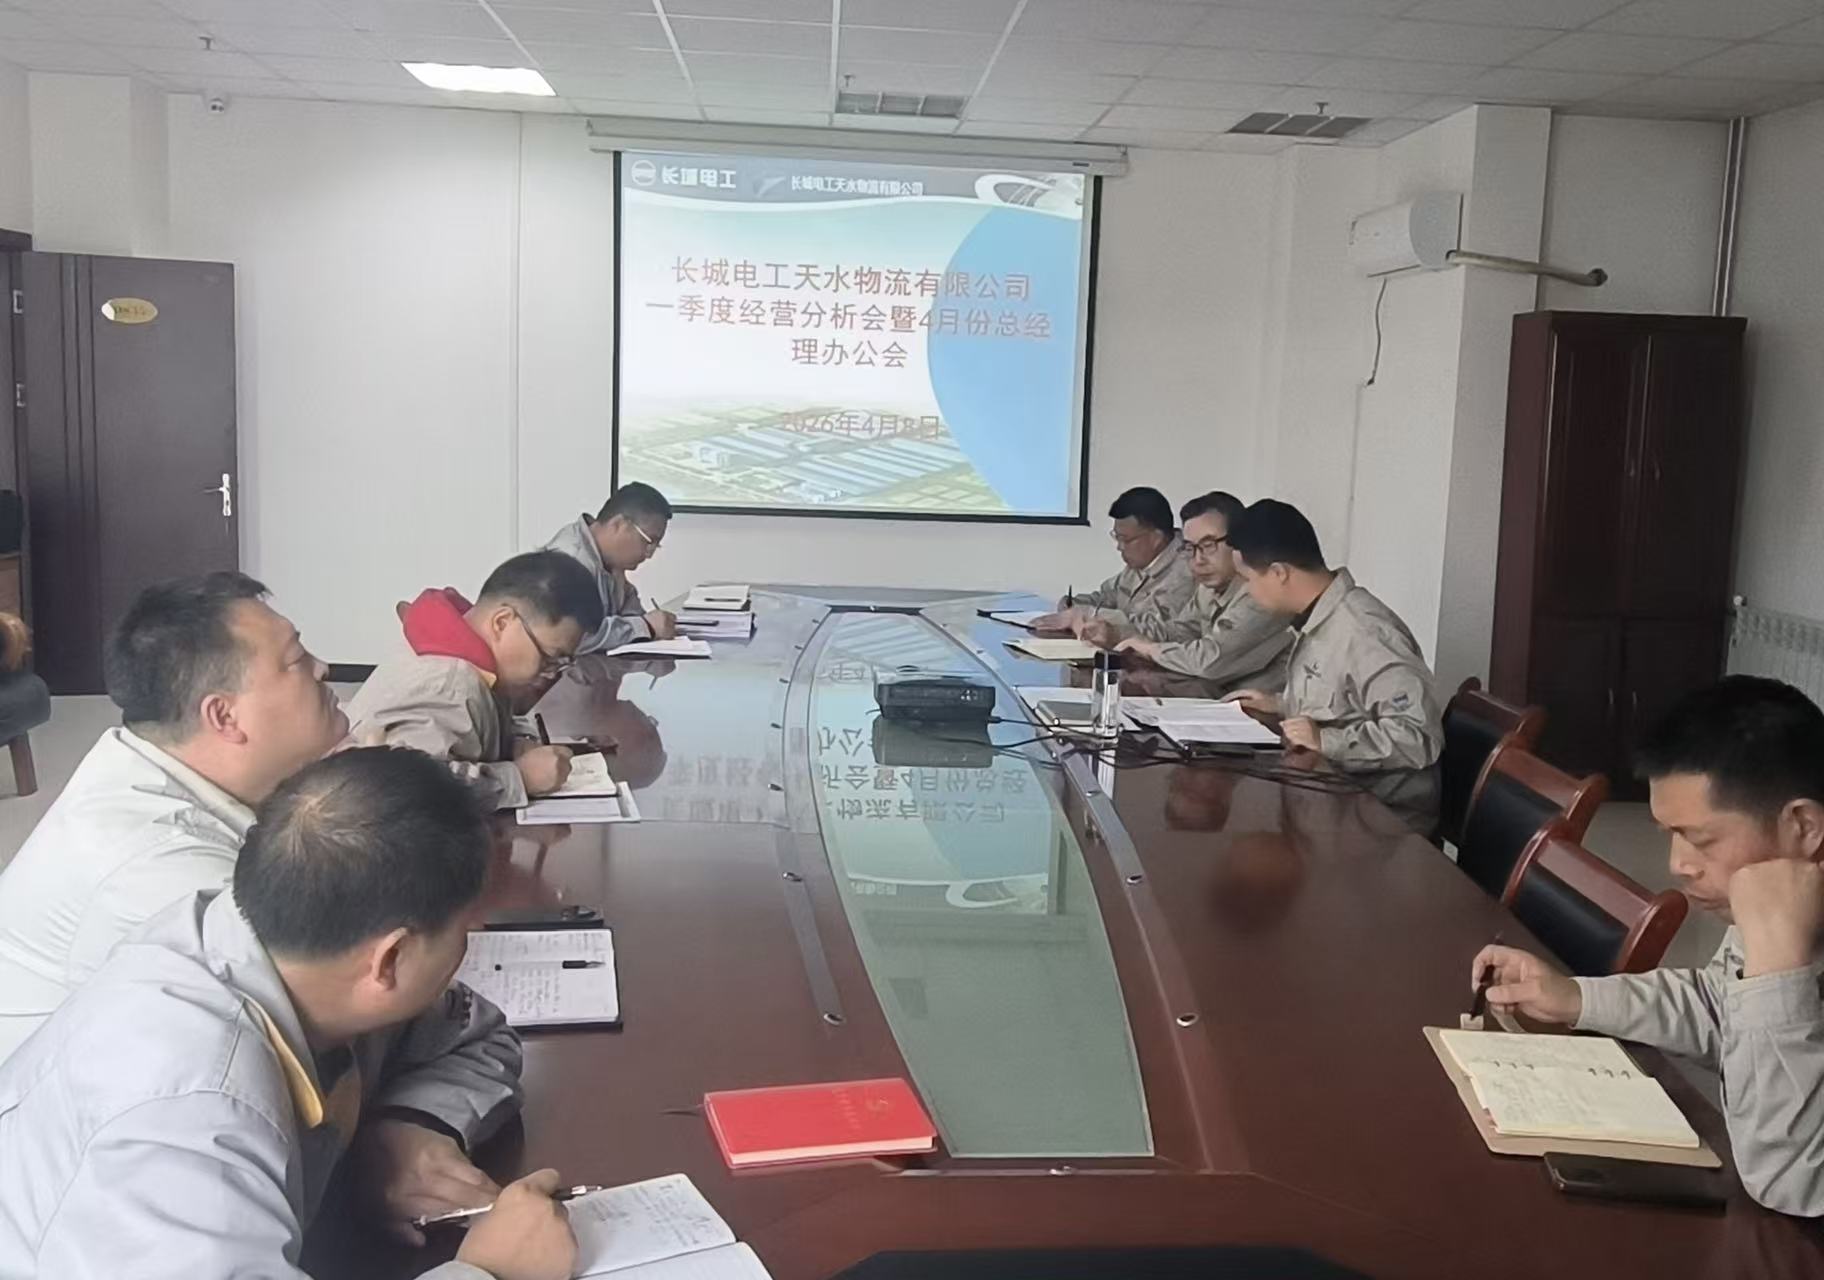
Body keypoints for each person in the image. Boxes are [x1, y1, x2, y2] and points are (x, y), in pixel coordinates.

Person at [0, 746, 578, 1279]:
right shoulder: (188, 1114)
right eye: (466, 929)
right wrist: (492, 1272)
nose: (468, 947)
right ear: (391, 959)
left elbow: (476, 1035)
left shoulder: (297, 949)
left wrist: (407, 1124)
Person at [1475, 677, 1824, 1218]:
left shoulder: (1774, 911)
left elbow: (1793, 1182)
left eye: (1701, 839)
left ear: (1803, 825)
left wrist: (1778, 968)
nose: (1678, 865)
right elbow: (1719, 1006)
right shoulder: (1780, 891)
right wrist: (1575, 997)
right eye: (1669, 834)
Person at [0, 573, 347, 1066]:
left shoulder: (160, 766)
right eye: (296, 660)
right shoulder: (165, 871)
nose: (322, 668)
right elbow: (338, 997)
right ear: (224, 717)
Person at [346, 551, 605, 810]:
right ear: (502, 623)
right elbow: (408, 791)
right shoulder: (447, 685)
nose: (550, 672)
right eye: (550, 657)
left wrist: (510, 744)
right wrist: (520, 779)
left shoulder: (466, 654)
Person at [1224, 499, 1441, 771]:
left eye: (1247, 579)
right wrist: (1280, 705)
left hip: (1374, 795)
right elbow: (1343, 706)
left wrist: (1326, 741)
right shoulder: (1317, 618)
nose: (1246, 591)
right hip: (1321, 781)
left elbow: (1419, 739)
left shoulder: (1363, 632)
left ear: (1279, 573)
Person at [1077, 491, 1291, 695]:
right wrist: (1120, 636)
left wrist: (1151, 650)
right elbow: (1180, 631)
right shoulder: (1208, 587)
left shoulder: (1261, 593)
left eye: (1208, 545)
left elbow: (1210, 660)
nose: (1198, 560)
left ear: (1240, 544)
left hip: (1254, 711)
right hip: (1208, 697)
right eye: (1190, 548)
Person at [1033, 487, 1194, 631]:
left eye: (1125, 539)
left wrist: (1087, 615)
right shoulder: (1140, 562)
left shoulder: (1187, 570)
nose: (1120, 547)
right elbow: (1107, 597)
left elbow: (1155, 627)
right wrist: (1074, 605)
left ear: (1156, 538)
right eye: (1117, 537)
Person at [542, 482, 676, 654]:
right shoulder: (570, 561)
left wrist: (651, 624)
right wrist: (645, 626)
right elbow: (573, 636)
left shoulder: (609, 559)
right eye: (649, 542)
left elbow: (630, 613)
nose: (649, 554)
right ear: (618, 524)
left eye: (656, 546)